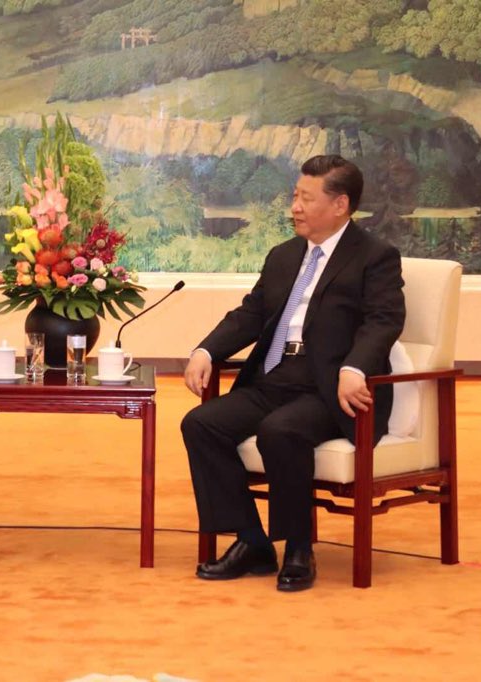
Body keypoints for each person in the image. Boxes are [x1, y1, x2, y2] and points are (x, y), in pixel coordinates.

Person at [181, 155, 404, 591]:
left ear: (340, 205)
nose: (295, 207)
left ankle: (299, 548)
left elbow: (383, 320)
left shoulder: (374, 256)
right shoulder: (284, 256)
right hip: (275, 375)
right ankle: (251, 541)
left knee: (280, 431)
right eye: (295, 196)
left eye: (306, 198)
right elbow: (250, 314)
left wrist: (355, 367)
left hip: (329, 386)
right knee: (202, 424)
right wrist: (207, 349)